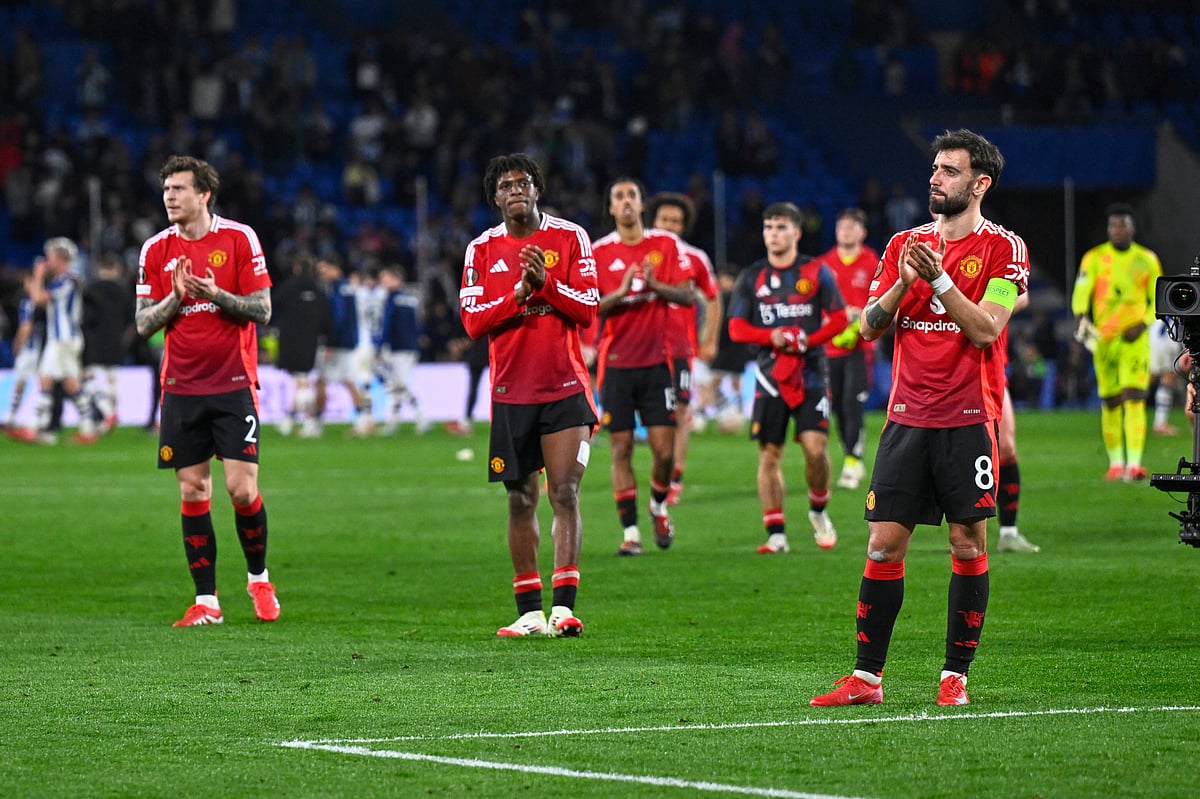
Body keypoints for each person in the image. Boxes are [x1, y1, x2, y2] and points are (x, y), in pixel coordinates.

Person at [810, 129, 1029, 708]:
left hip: (966, 416)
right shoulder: (903, 243)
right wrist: (905, 282)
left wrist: (937, 279)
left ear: (980, 183)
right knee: (882, 545)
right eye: (934, 168)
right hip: (907, 416)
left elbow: (986, 328)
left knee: (965, 540)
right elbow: (868, 326)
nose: (935, 177)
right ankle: (866, 679)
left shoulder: (1006, 249)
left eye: (950, 171)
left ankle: (954, 675)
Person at [135, 154, 280, 627]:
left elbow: (261, 309)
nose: (169, 197)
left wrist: (215, 294)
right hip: (181, 385)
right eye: (165, 190)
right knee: (193, 488)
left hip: (232, 381)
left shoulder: (239, 239)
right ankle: (207, 602)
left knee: (241, 490)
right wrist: (176, 297)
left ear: (203, 194)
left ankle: (258, 577)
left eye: (178, 189)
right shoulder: (155, 250)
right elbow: (142, 325)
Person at [459, 153, 598, 637]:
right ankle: (528, 611)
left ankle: (564, 609)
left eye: (524, 182)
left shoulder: (570, 237)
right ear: (494, 197)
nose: (516, 189)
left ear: (537, 189)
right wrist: (520, 293)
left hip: (564, 388)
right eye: (505, 185)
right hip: (510, 393)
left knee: (564, 491)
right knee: (520, 499)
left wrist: (548, 284)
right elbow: (473, 323)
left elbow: (587, 310)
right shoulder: (481, 250)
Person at [727, 201, 848, 554]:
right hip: (768, 376)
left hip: (810, 372)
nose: (773, 234)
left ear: (796, 232)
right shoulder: (752, 277)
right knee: (769, 456)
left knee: (815, 449)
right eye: (768, 227)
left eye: (780, 227)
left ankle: (818, 509)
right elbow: (736, 328)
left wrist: (809, 341)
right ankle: (776, 533)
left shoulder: (816, 271)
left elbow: (839, 318)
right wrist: (772, 337)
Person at [592, 177, 694, 555]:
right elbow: (590, 308)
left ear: (641, 203)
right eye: (619, 196)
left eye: (632, 194)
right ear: (611, 209)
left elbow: (686, 294)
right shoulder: (599, 252)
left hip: (657, 362)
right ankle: (631, 532)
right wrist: (620, 293)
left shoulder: (664, 245)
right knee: (620, 449)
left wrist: (655, 286)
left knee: (664, 452)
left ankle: (658, 505)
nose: (626, 201)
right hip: (616, 363)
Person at [1070, 203, 1161, 482]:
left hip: (1135, 339)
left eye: (1122, 225)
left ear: (1133, 228)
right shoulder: (1094, 258)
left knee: (1134, 397)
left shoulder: (1147, 259)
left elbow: (1158, 300)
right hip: (1104, 340)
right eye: (1113, 225)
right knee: (1110, 401)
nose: (1117, 230)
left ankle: (1134, 464)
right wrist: (1082, 317)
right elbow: (1081, 294)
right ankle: (1115, 463)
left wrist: (1143, 322)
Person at [646, 191, 722, 506]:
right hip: (641, 349)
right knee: (648, 419)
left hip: (679, 349)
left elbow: (714, 298)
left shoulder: (695, 258)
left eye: (676, 221)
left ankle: (674, 477)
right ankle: (656, 473)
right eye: (665, 219)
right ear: (654, 221)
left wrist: (710, 339)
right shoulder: (641, 253)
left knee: (679, 413)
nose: (670, 226)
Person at [819, 208, 879, 491]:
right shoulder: (823, 265)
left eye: (851, 226)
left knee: (852, 404)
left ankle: (853, 461)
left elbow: (884, 299)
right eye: (841, 225)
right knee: (837, 408)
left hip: (859, 348)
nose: (844, 230)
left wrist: (861, 316)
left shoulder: (872, 262)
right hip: (829, 348)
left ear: (862, 232)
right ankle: (850, 455)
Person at [24, 238, 102, 445]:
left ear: (60, 258)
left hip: (64, 339)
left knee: (69, 383)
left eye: (50, 257)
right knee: (50, 379)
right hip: (58, 339)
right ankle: (38, 427)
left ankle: (88, 425)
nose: (47, 261)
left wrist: (38, 276)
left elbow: (38, 299)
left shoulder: (68, 280)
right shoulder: (65, 279)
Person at [996, 293, 1040, 553]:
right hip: (949, 367)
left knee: (1006, 448)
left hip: (992, 366)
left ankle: (1008, 532)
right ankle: (960, 532)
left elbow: (1022, 296)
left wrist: (987, 310)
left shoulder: (1001, 251)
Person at [271, 255, 330, 437]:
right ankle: (291, 420)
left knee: (301, 381)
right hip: (311, 341)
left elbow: (272, 304)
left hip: (290, 340)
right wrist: (328, 340)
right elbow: (327, 318)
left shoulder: (289, 287)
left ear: (296, 268)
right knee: (302, 379)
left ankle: (310, 422)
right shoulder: (318, 289)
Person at [315, 255, 374, 437]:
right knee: (347, 380)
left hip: (338, 343)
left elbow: (337, 318)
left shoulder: (337, 289)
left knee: (323, 381)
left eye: (324, 269)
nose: (321, 273)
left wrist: (330, 343)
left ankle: (315, 424)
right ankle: (363, 419)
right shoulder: (347, 287)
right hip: (348, 342)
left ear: (335, 269)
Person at [80, 252, 132, 434]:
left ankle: (105, 415)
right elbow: (132, 319)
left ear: (100, 269)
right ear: (116, 269)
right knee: (112, 382)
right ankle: (110, 417)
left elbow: (85, 319)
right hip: (116, 343)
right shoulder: (124, 291)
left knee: (92, 381)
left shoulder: (90, 291)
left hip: (94, 344)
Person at [376, 265, 429, 435]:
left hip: (397, 347)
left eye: (386, 278)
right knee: (397, 385)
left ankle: (421, 416)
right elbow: (417, 324)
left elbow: (387, 325)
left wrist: (380, 345)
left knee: (399, 385)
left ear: (396, 279)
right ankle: (394, 421)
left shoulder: (391, 299)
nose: (383, 282)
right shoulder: (410, 299)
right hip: (410, 347)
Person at [3, 269, 44, 434]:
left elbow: (26, 326)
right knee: (35, 382)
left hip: (30, 350)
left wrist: (17, 342)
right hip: (41, 348)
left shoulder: (27, 302)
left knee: (23, 382)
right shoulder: (42, 302)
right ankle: (15, 417)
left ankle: (13, 417)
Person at [1149, 318, 1185, 436]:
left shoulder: (1166, 304)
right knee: (1168, 378)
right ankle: (1160, 424)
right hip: (1170, 340)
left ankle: (1125, 415)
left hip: (1152, 335)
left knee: (1148, 379)